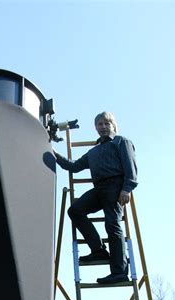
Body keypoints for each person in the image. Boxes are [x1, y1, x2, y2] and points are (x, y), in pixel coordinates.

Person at [54, 112, 137, 285]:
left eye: (107, 123)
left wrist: (127, 188)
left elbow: (130, 166)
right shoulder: (94, 152)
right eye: (100, 124)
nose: (103, 127)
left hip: (115, 187)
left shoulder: (121, 142)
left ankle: (119, 271)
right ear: (96, 128)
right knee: (75, 211)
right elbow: (73, 166)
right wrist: (52, 152)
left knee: (112, 225)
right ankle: (98, 249)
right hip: (99, 189)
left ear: (113, 125)